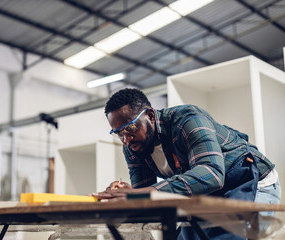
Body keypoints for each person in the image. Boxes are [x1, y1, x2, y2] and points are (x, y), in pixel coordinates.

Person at [92, 88, 281, 240]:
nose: (126, 139)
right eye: (118, 133)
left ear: (150, 115)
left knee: (227, 234)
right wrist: (128, 193)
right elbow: (146, 195)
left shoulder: (187, 119)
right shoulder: (133, 145)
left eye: (130, 128)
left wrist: (144, 193)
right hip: (208, 194)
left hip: (249, 182)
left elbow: (212, 174)